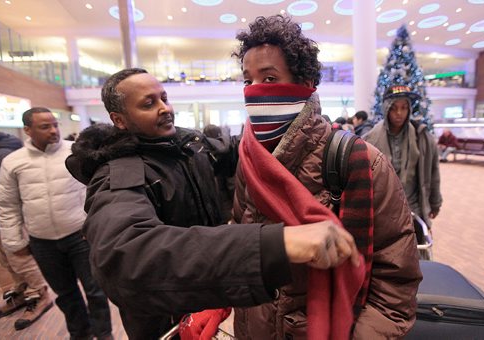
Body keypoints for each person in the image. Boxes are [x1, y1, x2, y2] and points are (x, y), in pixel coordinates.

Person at [64, 67, 361, 339]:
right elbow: (124, 256)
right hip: (165, 322)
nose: (164, 108)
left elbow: (239, 149)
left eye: (164, 98)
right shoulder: (120, 173)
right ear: (119, 120)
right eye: (148, 103)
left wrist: (297, 128)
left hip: (214, 306)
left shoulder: (189, 147)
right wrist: (274, 245)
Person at [225, 15, 422, 339]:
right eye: (248, 81)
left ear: (303, 84)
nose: (255, 91)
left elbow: (395, 282)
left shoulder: (360, 162)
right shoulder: (248, 158)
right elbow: (240, 240)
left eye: (270, 79)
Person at [0, 108, 113, 339]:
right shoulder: (13, 162)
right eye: (45, 126)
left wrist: (98, 228)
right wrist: (14, 242)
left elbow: (99, 191)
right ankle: (80, 334)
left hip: (81, 236)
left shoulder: (76, 153)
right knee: (66, 294)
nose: (53, 131)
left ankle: (104, 334)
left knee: (96, 291)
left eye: (55, 124)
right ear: (28, 130)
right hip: (43, 243)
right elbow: (7, 205)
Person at [0, 120, 53, 329]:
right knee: (7, 261)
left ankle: (38, 294)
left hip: (10, 220)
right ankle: (22, 290)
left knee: (20, 260)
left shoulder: (0, 154)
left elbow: (4, 196)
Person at [363, 85, 442, 227]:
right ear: (386, 108)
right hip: (382, 211)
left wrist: (435, 202)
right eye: (393, 108)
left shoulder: (422, 137)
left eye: (404, 107)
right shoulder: (370, 139)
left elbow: (433, 171)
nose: (399, 113)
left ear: (409, 109)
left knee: (416, 247)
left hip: (414, 209)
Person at [203, 124, 239, 223]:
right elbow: (231, 185)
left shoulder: (204, 153)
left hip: (213, 207)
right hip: (227, 207)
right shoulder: (225, 153)